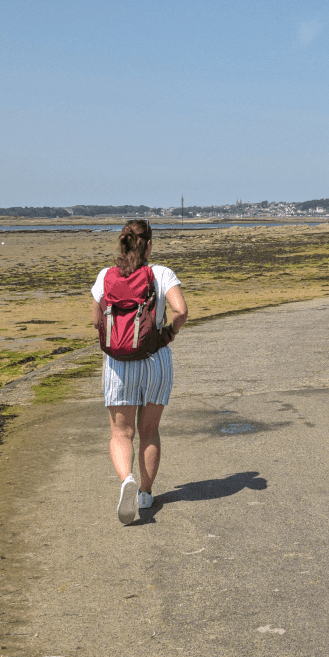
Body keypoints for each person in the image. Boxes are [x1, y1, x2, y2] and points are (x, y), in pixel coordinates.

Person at [91, 219, 188, 524]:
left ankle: (126, 481)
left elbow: (97, 321)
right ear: (149, 245)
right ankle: (145, 494)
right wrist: (167, 334)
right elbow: (181, 311)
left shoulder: (106, 276)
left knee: (121, 432)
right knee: (149, 431)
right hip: (156, 360)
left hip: (119, 364)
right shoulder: (162, 273)